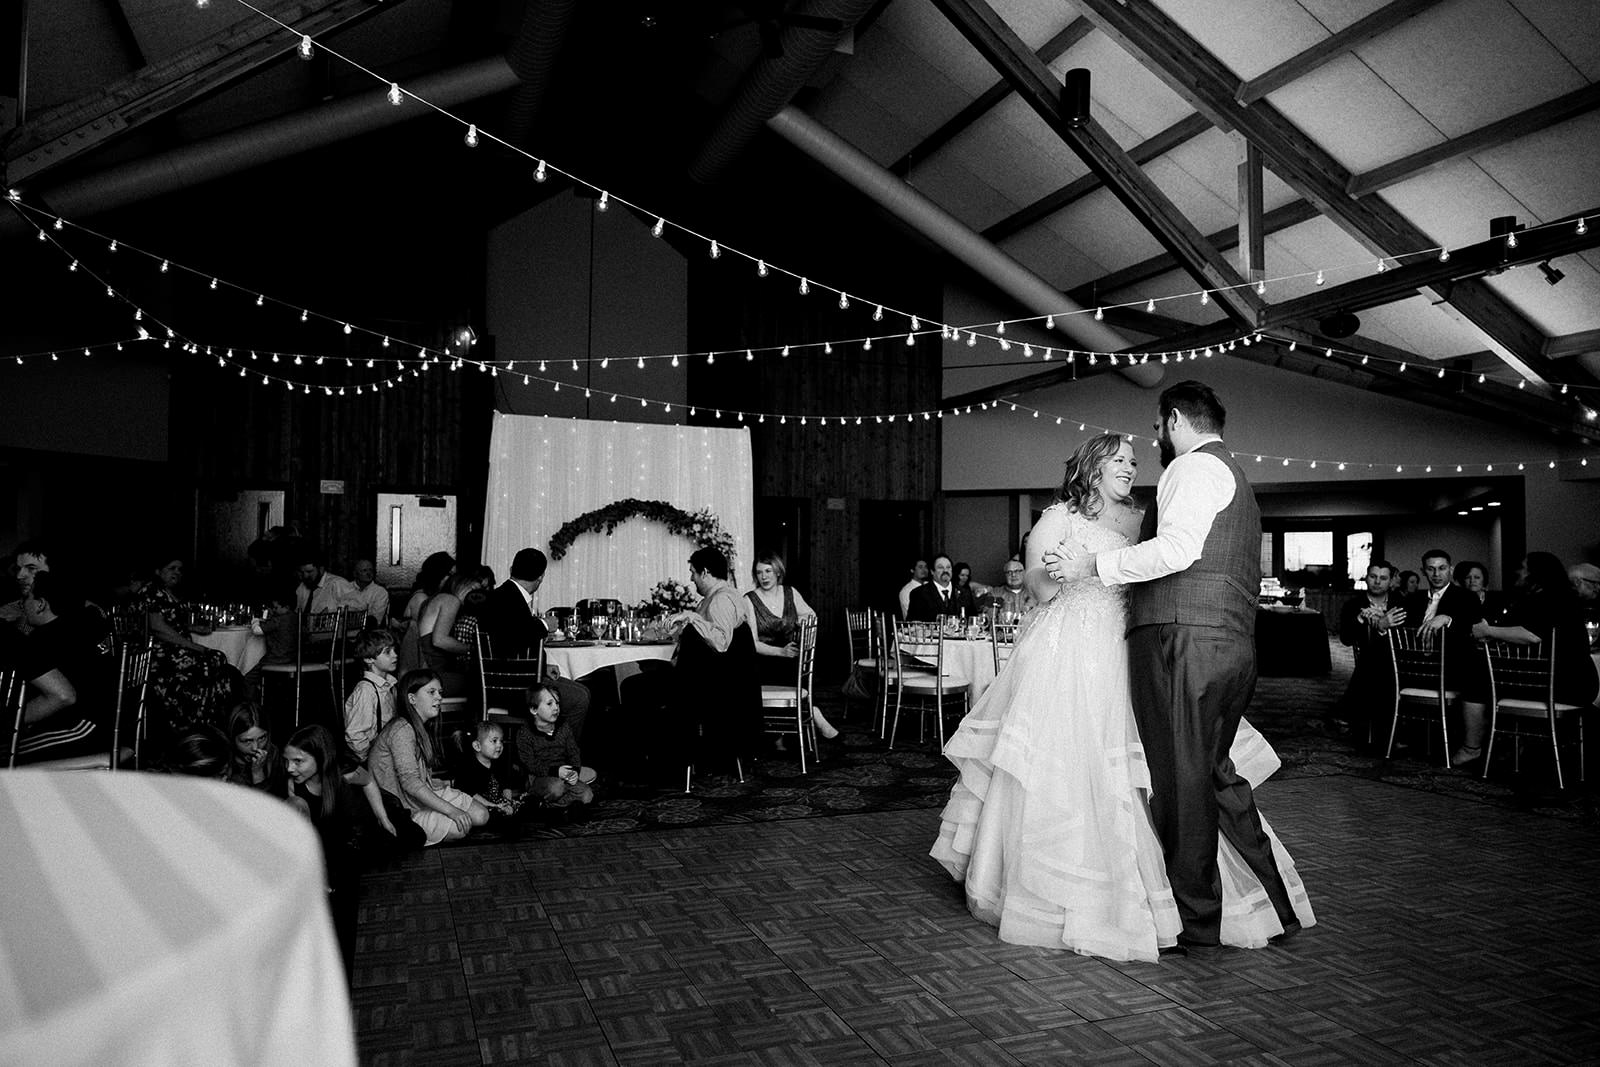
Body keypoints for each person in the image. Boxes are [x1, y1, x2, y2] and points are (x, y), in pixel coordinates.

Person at [1042, 385, 1314, 957]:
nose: (1153, 447)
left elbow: (1178, 550)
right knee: (1215, 774)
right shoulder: (1235, 477)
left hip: (1182, 640)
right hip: (1230, 642)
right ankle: (1274, 899)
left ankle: (1196, 921)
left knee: (1181, 783)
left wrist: (1091, 562)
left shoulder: (1191, 468)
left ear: (1172, 420)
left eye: (1157, 432)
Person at [1453, 552, 1600, 767]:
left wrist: (1488, 631)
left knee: (1475, 680)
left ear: (1535, 573)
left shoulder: (1551, 599)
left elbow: (1531, 635)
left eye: (1523, 568)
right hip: (1564, 679)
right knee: (1485, 678)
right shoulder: (1554, 597)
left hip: (1565, 683)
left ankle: (1473, 748)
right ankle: (1511, 745)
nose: (1519, 572)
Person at [284, 724, 397, 976]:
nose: (290, 768)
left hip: (352, 834)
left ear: (319, 758)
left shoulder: (342, 774)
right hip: (323, 843)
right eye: (287, 761)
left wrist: (383, 818)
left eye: (298, 761)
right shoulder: (295, 789)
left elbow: (368, 781)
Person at [367, 669, 490, 845]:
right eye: (431, 692)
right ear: (412, 698)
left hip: (419, 797)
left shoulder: (418, 727)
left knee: (481, 815)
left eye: (440, 692)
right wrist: (452, 811)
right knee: (460, 827)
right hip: (404, 808)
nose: (439, 697)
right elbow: (410, 783)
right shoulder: (401, 730)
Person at [480, 547, 591, 740]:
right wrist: (543, 624)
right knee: (579, 698)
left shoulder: (501, 594)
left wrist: (542, 664)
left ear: (512, 568)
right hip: (514, 688)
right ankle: (556, 756)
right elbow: (510, 640)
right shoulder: (510, 598)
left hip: (501, 680)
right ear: (541, 577)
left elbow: (511, 637)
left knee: (581, 691)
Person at [136, 556, 238, 738]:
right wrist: (196, 647)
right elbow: (158, 628)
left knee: (218, 661)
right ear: (158, 571)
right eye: (172, 568)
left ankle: (208, 724)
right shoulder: (151, 592)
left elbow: (172, 622)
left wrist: (192, 628)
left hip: (174, 649)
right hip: (158, 653)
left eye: (180, 569)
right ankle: (189, 724)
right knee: (208, 661)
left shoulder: (169, 592)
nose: (177, 572)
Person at [744, 551, 837, 739]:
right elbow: (752, 643)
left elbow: (811, 616)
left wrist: (801, 623)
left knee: (797, 664)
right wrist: (780, 651)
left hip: (791, 655)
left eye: (768, 571)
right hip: (765, 659)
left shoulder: (790, 592)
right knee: (786, 668)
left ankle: (785, 731)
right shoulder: (749, 599)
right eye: (760, 572)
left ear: (778, 572)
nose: (764, 577)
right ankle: (812, 711)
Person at [1334, 560, 1404, 745]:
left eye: (1383, 578)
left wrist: (1383, 626)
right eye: (1373, 577)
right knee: (1373, 662)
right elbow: (1346, 639)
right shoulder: (1353, 605)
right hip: (1368, 660)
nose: (1377, 582)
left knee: (1380, 664)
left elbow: (1407, 638)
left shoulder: (1401, 604)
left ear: (1391, 581)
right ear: (1366, 578)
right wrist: (1360, 619)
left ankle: (1348, 711)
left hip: (1399, 661)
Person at [1400, 549, 1483, 698]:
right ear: (1423, 571)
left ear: (1450, 569)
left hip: (1451, 668)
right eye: (1431, 569)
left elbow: (1473, 629)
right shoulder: (1412, 600)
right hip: (1413, 666)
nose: (1436, 574)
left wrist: (1448, 619)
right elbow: (1402, 630)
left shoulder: (1467, 597)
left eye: (1442, 568)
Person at [515, 683, 597, 808]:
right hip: (540, 777)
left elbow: (573, 752)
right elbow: (529, 763)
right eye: (549, 704)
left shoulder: (563, 727)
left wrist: (574, 771)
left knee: (587, 795)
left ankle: (551, 807)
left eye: (557, 703)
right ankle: (535, 799)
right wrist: (555, 771)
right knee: (556, 788)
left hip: (564, 776)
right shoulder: (525, 733)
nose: (556, 708)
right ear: (534, 709)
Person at [343, 629, 399, 763]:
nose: (395, 655)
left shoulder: (391, 685)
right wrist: (369, 758)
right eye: (387, 652)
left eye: (394, 650)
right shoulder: (366, 691)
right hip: (374, 759)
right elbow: (354, 733)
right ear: (369, 659)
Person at [453, 720, 522, 816]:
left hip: (498, 803)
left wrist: (508, 803)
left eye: (501, 741)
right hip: (479, 804)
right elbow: (470, 793)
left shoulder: (501, 763)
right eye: (494, 741)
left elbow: (506, 785)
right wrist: (493, 806)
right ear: (477, 746)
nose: (499, 745)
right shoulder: (468, 767)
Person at [907, 556, 980, 621]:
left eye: (948, 567)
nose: (945, 571)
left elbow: (973, 620)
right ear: (932, 571)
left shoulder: (965, 592)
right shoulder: (919, 593)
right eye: (940, 567)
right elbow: (913, 625)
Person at [295, 551, 362, 615]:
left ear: (321, 569)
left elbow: (359, 605)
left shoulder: (337, 583)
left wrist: (332, 611)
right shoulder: (302, 587)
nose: (305, 576)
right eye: (302, 572)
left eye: (309, 572)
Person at [350, 559, 391, 628]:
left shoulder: (380, 592)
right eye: (364, 570)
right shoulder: (345, 588)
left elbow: (375, 620)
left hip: (368, 633)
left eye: (370, 570)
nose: (369, 573)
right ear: (355, 574)